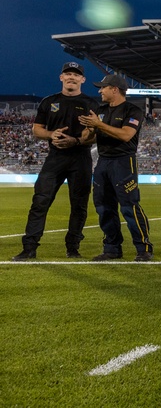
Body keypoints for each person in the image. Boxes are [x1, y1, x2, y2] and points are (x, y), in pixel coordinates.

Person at [13, 62, 98, 261]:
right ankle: (30, 248)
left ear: (82, 80)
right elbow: (37, 129)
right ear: (61, 77)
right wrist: (52, 134)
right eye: (68, 73)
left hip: (81, 158)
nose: (71, 77)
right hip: (55, 158)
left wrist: (76, 140)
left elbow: (94, 134)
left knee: (79, 205)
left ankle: (73, 247)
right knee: (40, 202)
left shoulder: (91, 103)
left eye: (76, 75)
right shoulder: (48, 101)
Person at [78, 73, 154, 261]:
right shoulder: (100, 110)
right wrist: (91, 128)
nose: (99, 91)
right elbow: (87, 139)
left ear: (114, 89)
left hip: (123, 162)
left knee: (129, 206)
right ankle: (111, 248)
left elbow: (126, 135)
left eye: (103, 87)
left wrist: (99, 124)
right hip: (103, 162)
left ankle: (143, 248)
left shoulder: (132, 111)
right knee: (103, 207)